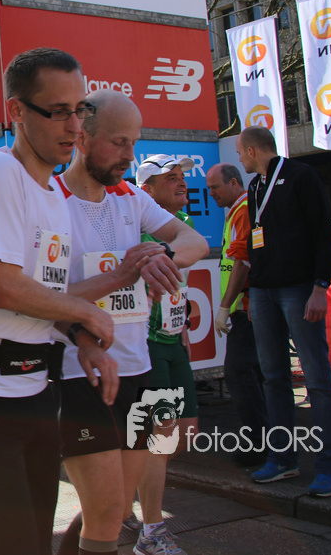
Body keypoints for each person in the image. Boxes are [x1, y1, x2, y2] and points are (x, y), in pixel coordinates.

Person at [0, 47, 114, 555]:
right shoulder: (0, 171)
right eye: (58, 111)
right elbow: (5, 287)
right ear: (16, 111)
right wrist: (86, 312)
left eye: (80, 110)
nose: (74, 126)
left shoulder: (54, 194)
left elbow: (44, 299)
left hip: (37, 389)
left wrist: (80, 337)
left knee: (34, 543)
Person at [53, 90, 208, 555]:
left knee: (117, 509)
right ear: (83, 138)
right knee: (104, 509)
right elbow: (41, 298)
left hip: (138, 371)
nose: (129, 155)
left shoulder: (131, 197)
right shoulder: (51, 201)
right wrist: (121, 273)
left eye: (134, 142)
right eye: (119, 142)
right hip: (78, 373)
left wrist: (161, 255)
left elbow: (194, 241)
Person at [236, 125, 331, 497]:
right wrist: (252, 294)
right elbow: (256, 242)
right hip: (264, 292)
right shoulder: (255, 187)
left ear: (252, 151)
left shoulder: (302, 176)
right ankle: (283, 458)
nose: (239, 158)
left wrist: (320, 286)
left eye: (240, 151)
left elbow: (322, 232)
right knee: (273, 378)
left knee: (317, 378)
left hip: (299, 289)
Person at [135, 154, 203, 552]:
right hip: (145, 344)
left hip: (173, 340)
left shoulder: (184, 225)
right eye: (171, 178)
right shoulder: (136, 227)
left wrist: (183, 323)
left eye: (182, 177)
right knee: (159, 437)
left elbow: (179, 282)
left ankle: (128, 483)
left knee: (186, 433)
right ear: (147, 190)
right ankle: (151, 531)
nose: (181, 183)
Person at [206, 162, 267, 467]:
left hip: (246, 308)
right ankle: (267, 441)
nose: (211, 194)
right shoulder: (238, 210)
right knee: (253, 373)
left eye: (215, 187)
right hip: (245, 307)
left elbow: (242, 260)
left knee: (239, 373)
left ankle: (258, 444)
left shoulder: (243, 209)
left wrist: (224, 305)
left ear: (233, 183)